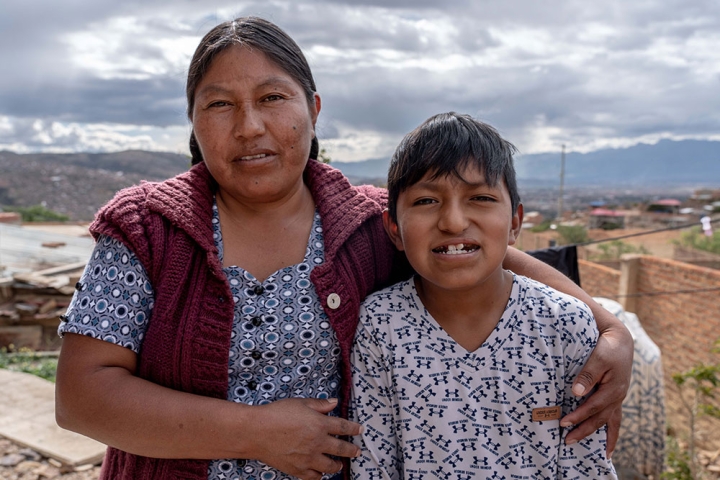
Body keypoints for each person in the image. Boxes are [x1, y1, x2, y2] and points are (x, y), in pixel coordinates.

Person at [54, 16, 631, 480]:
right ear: (194, 122)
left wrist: (610, 330)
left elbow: (478, 247)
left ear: (314, 109)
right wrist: (255, 431)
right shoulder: (146, 227)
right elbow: (82, 398)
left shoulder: (364, 223)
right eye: (220, 104)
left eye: (272, 97)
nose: (250, 126)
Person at [349, 112, 617, 479]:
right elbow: (372, 466)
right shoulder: (381, 325)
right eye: (427, 201)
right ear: (394, 228)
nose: (454, 221)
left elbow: (585, 466)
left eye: (480, 197)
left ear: (515, 223)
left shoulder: (564, 325)